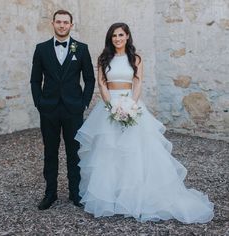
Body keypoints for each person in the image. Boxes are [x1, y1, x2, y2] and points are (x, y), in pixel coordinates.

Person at [75, 23, 214, 223]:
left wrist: (130, 106)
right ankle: (111, 198)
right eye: (114, 35)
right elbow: (102, 84)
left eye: (121, 35)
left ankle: (135, 198)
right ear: (110, 38)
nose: (117, 39)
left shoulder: (136, 59)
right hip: (109, 107)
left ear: (127, 36)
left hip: (131, 104)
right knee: (108, 153)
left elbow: (138, 82)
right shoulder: (104, 59)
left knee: (136, 152)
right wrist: (112, 106)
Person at [30, 10, 95, 210]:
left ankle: (75, 193)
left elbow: (90, 78)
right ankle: (50, 194)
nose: (62, 25)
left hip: (73, 109)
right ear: (53, 23)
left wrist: (83, 102)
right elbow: (35, 79)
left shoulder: (81, 49)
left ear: (71, 25)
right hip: (48, 109)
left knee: (73, 152)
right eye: (58, 22)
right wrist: (39, 103)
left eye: (65, 22)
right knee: (50, 152)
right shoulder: (41, 49)